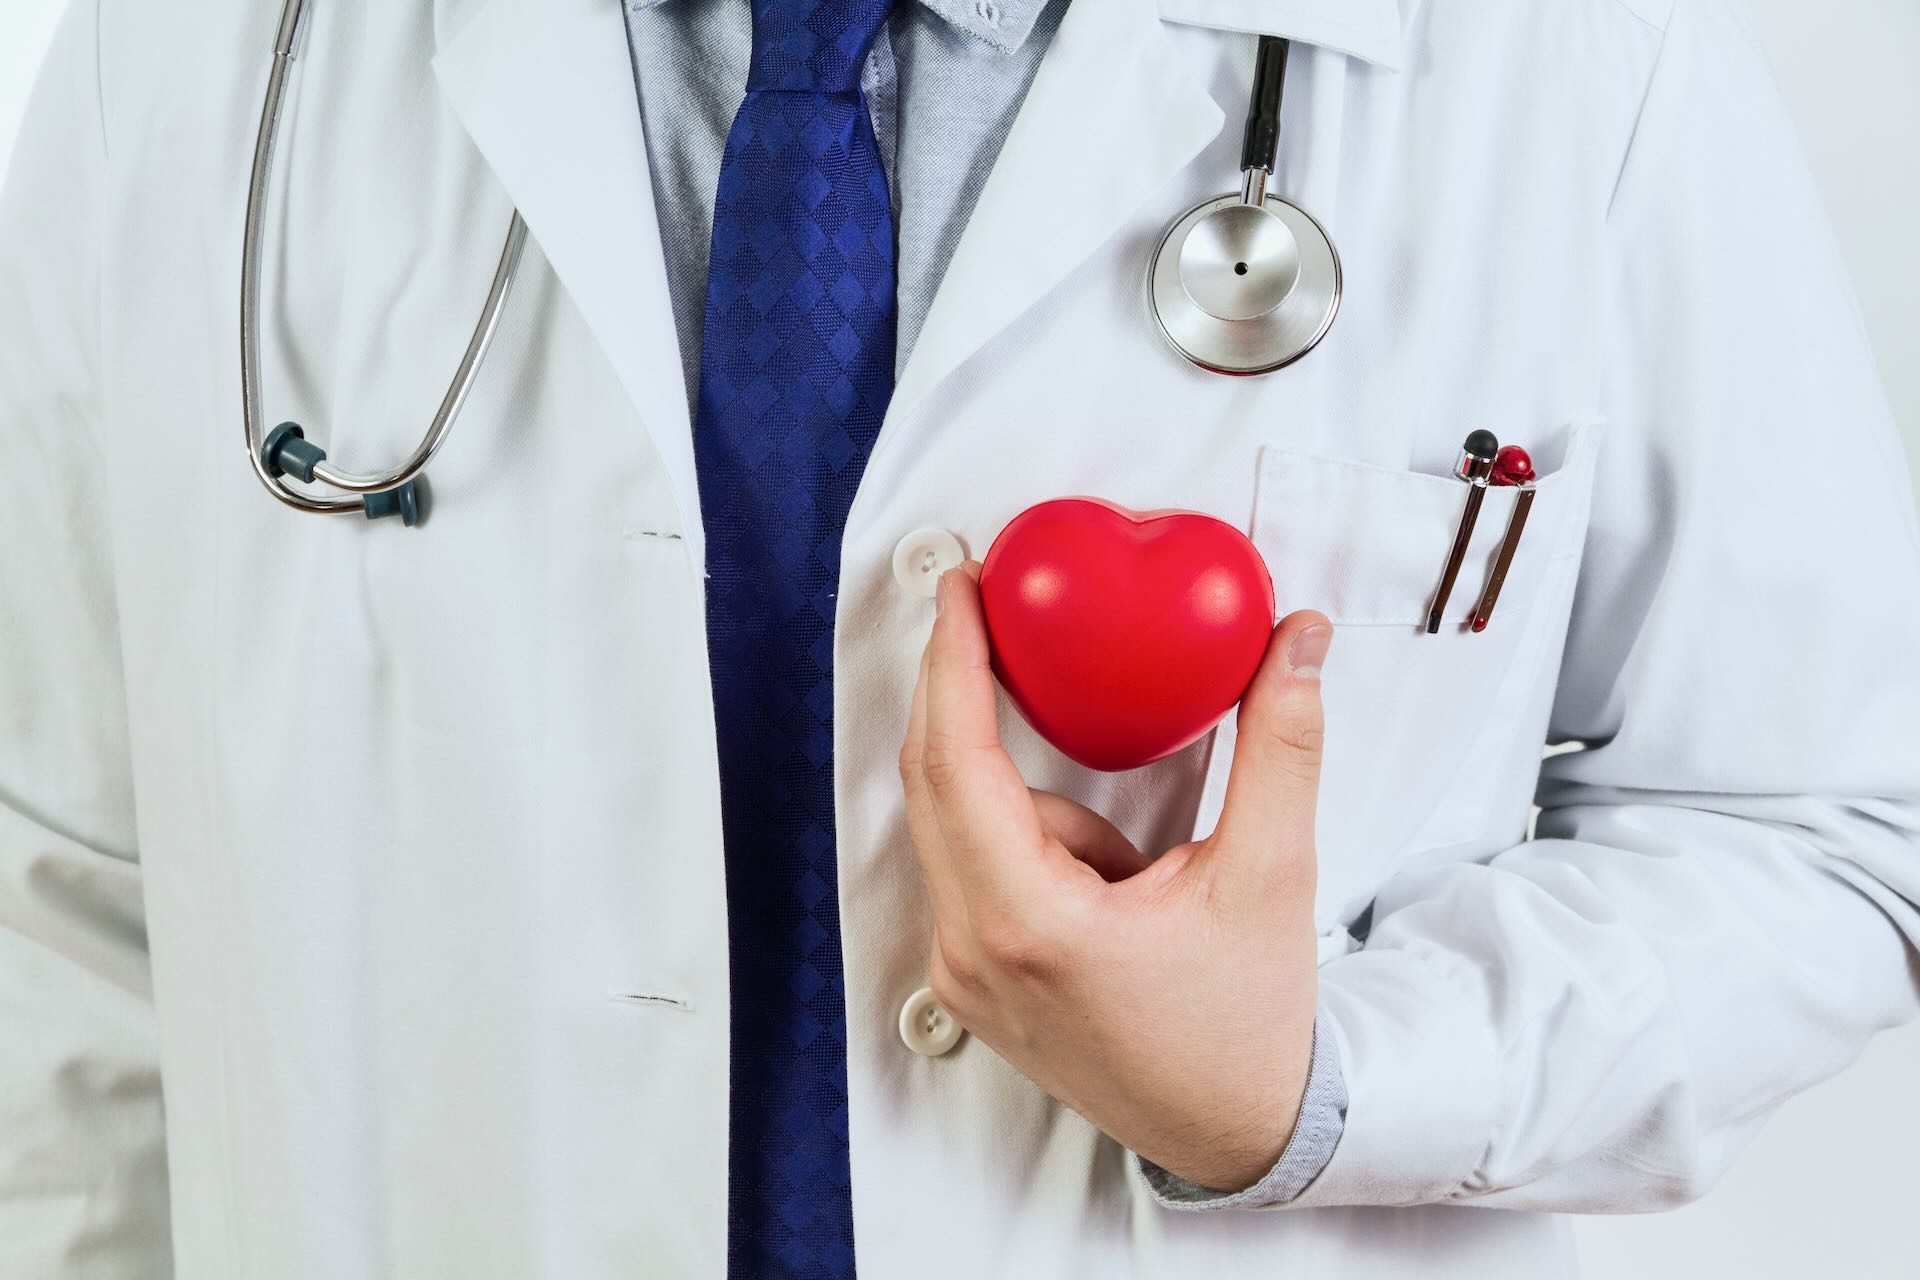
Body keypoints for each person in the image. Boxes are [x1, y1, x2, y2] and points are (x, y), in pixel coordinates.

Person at [2, 0, 1916, 1275]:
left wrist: (1318, 1080)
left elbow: (1831, 826)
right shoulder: (194, 59)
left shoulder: (1569, 57)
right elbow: (61, 901)